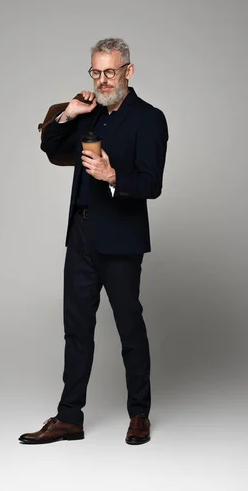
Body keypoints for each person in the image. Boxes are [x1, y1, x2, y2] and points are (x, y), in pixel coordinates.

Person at [19, 38, 169, 445]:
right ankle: (70, 418)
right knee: (77, 329)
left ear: (128, 71)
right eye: (96, 72)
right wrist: (69, 112)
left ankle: (139, 414)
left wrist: (112, 177)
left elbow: (151, 184)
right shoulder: (90, 113)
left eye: (110, 72)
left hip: (121, 238)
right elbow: (50, 145)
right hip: (81, 235)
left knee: (129, 328)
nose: (103, 80)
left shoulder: (149, 118)